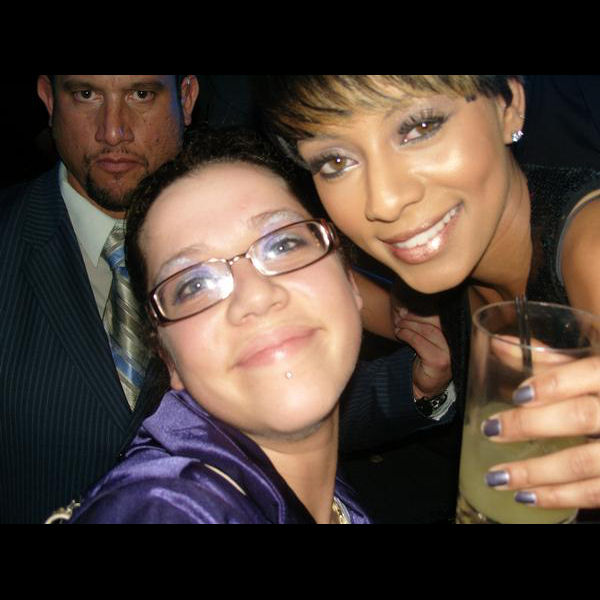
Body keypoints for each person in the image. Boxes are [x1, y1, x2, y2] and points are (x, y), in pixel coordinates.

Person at [255, 75, 600, 519]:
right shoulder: (450, 279)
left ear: (509, 105)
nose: (385, 201)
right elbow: (361, 306)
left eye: (420, 128)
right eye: (336, 161)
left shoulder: (589, 247)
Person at [62, 126, 371, 523]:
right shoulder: (165, 507)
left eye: (282, 244)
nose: (254, 297)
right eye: (194, 285)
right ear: (167, 357)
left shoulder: (330, 498)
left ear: (349, 279)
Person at [0, 74, 200, 523]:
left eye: (141, 94)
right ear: (49, 99)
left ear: (186, 99)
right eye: (86, 94)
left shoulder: (247, 242)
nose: (113, 131)